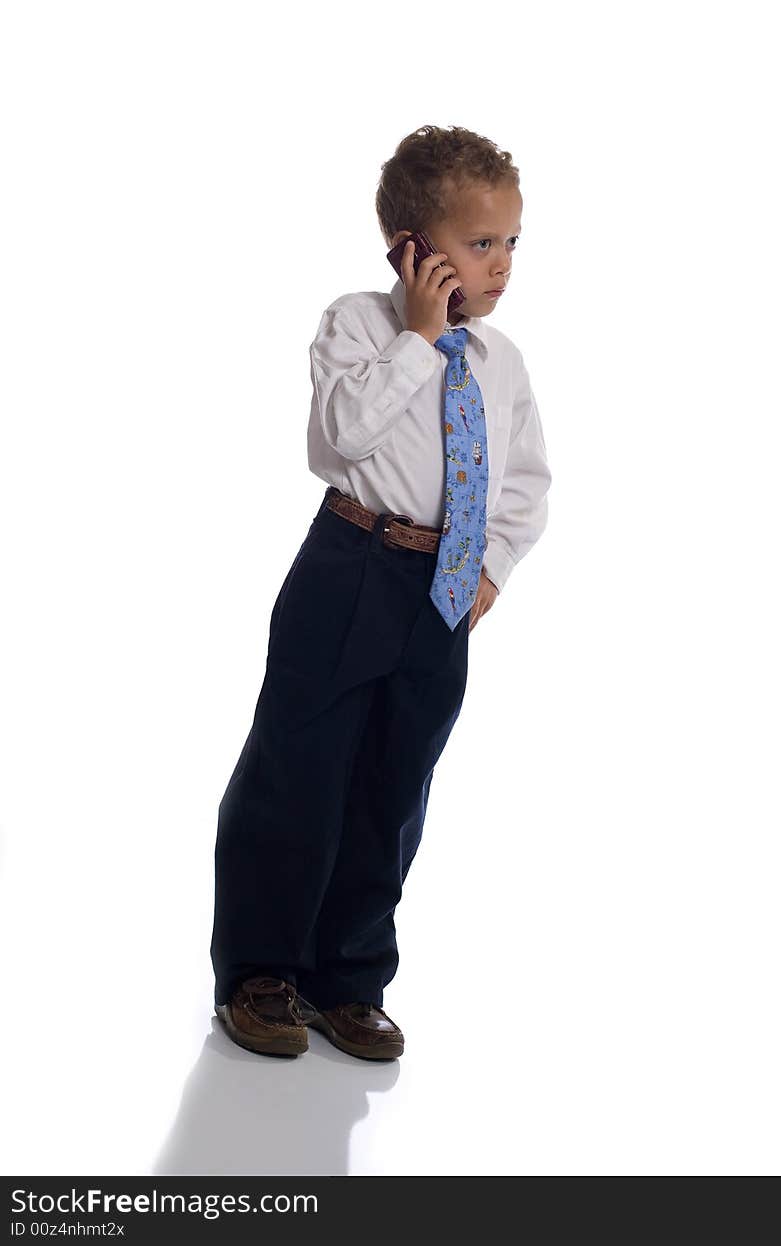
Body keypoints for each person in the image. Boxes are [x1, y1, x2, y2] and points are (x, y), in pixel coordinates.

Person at [210, 124, 552, 1061]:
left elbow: (526, 480)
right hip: (350, 566)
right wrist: (417, 335)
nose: (502, 266)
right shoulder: (359, 325)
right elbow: (340, 442)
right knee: (301, 773)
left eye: (512, 243)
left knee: (394, 786)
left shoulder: (503, 364)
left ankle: (348, 979)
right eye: (481, 245)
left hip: (440, 594)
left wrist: (489, 572)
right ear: (411, 249)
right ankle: (261, 973)